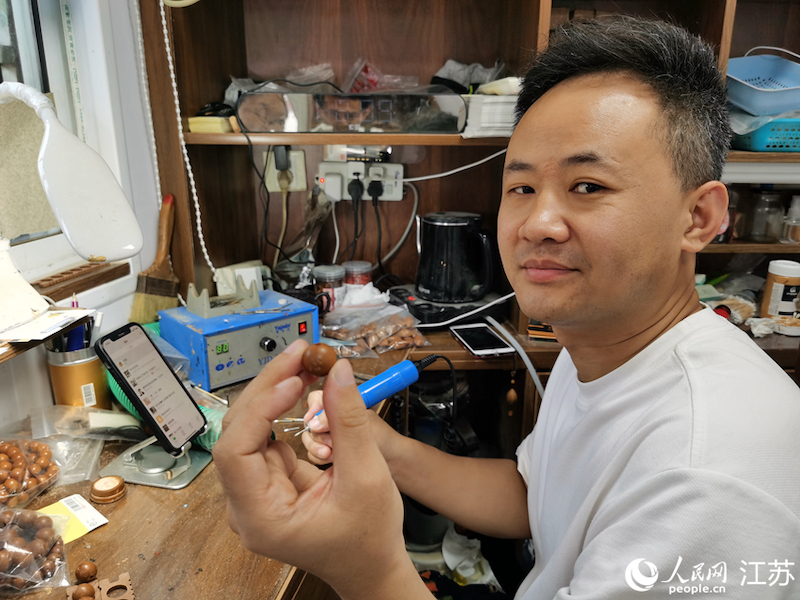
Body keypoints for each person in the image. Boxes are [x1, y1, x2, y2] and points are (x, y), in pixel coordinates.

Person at [213, 16, 800, 600]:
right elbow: (532, 497)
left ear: (698, 218)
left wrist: (365, 569)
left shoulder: (707, 476)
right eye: (521, 188)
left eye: (588, 186)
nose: (537, 224)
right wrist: (379, 444)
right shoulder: (601, 344)